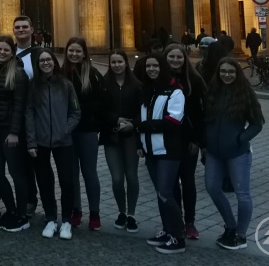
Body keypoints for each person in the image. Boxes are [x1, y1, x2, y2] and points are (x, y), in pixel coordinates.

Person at [202, 57, 264, 251]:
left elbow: (257, 124)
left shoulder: (245, 94)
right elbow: (205, 120)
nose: (226, 75)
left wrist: (241, 138)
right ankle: (230, 226)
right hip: (214, 152)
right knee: (212, 187)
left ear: (237, 74)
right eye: (223, 71)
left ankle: (241, 234)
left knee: (242, 194)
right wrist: (205, 143)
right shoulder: (212, 92)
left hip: (238, 153)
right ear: (218, 74)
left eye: (231, 72)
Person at [25, 49, 80, 240]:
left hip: (63, 141)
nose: (46, 63)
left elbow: (75, 112)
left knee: (67, 181)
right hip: (40, 142)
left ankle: (66, 220)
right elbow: (29, 114)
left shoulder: (66, 85)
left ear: (54, 63)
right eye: (42, 61)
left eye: (49, 60)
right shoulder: (33, 86)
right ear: (38, 65)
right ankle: (50, 217)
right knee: (45, 181)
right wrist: (31, 141)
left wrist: (64, 130)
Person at [137, 54, 187, 255]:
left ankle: (178, 236)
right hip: (150, 150)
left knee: (166, 193)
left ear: (162, 67)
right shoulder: (147, 90)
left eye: (155, 65)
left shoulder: (175, 91)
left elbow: (174, 121)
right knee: (161, 193)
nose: (151, 69)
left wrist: (145, 127)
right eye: (148, 66)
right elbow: (141, 116)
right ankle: (168, 231)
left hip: (168, 150)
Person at [0, 35, 29, 233]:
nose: (2, 52)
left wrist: (14, 132)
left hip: (10, 131)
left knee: (17, 173)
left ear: (12, 52)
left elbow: (20, 105)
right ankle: (11, 209)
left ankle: (22, 214)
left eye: (6, 49)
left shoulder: (18, 74)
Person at [163, 43, 207, 240]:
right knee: (171, 183)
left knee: (188, 181)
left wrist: (197, 140)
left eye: (179, 57)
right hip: (166, 139)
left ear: (184, 58)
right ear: (166, 58)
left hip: (188, 139)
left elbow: (200, 114)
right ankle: (177, 220)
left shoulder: (195, 81)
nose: (175, 60)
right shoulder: (160, 80)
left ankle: (190, 221)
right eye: (171, 57)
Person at [63, 36, 105, 231]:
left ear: (84, 53)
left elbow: (101, 102)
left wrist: (78, 110)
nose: (74, 54)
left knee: (90, 173)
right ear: (66, 52)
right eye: (71, 50)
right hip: (67, 132)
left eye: (78, 51)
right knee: (71, 174)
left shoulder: (94, 74)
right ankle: (76, 210)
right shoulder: (61, 74)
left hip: (87, 129)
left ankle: (94, 213)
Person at [100, 49, 141, 233]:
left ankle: (131, 214)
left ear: (126, 63)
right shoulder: (104, 84)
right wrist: (115, 120)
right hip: (111, 135)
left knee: (131, 176)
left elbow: (143, 111)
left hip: (131, 135)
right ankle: (121, 212)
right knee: (117, 178)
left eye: (120, 62)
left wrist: (133, 124)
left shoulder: (137, 86)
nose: (116, 65)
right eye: (113, 62)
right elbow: (99, 110)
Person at [12, 16, 41, 215]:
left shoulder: (41, 54)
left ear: (32, 30)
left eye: (25, 27)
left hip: (37, 115)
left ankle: (40, 200)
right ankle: (28, 199)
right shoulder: (8, 53)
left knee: (38, 161)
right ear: (13, 31)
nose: (21, 30)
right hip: (15, 115)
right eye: (17, 27)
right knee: (20, 162)